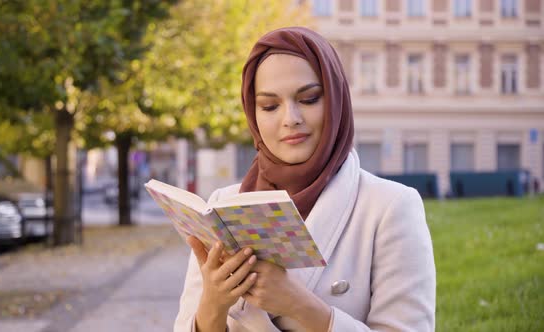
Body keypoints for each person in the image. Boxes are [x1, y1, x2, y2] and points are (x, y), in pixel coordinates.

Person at [174, 27, 436, 332]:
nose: (291, 118)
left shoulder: (389, 207)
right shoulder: (222, 206)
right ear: (253, 113)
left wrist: (300, 304)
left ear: (336, 101)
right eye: (270, 106)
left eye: (309, 99)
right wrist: (213, 305)